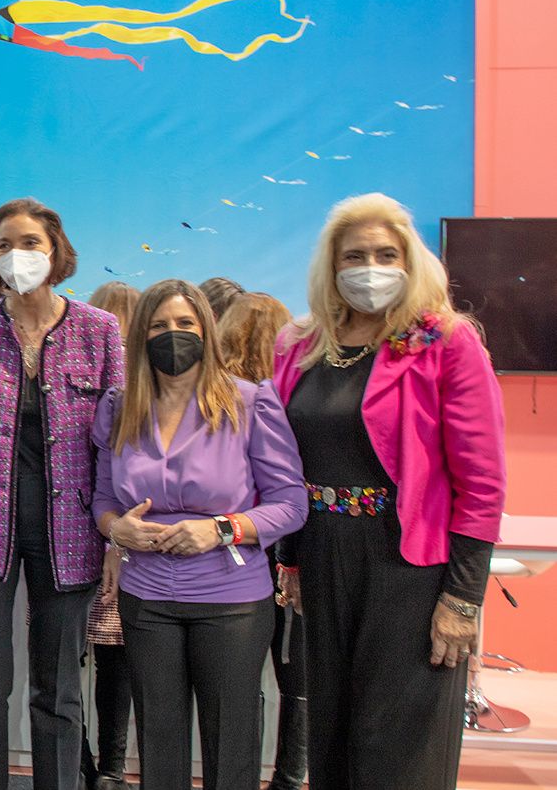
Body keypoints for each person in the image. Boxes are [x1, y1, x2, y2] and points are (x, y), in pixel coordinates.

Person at [273, 193, 506, 790]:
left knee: (395, 746)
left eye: (386, 254)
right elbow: (285, 461)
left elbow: (482, 482)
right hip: (322, 558)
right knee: (331, 734)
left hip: (408, 567)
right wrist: (291, 557)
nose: (370, 268)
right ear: (332, 264)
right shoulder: (300, 346)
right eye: (355, 255)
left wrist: (463, 599)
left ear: (410, 262)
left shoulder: (447, 343)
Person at [0, 200, 123, 790]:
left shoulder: (98, 329)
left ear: (56, 251)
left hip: (74, 530)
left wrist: (115, 538)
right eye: (6, 245)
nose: (18, 256)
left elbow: (117, 443)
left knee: (58, 690)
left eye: (31, 242)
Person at [92, 279, 306, 790]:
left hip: (231, 603)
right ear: (141, 335)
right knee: (159, 749)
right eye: (160, 325)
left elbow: (292, 503)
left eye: (185, 324)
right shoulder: (120, 408)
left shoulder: (251, 404)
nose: (173, 334)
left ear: (206, 330)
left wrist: (223, 529)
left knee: (230, 748)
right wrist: (116, 529)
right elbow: (102, 499)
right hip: (146, 600)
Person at [217, 292, 304, 790]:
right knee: (296, 678)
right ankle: (291, 776)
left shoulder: (223, 396)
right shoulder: (291, 391)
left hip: (234, 550)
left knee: (239, 683)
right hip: (290, 545)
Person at [81, 280, 140, 790]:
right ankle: (111, 767)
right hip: (117, 532)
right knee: (113, 657)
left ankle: (81, 761)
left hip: (73, 528)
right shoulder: (138, 395)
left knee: (60, 656)